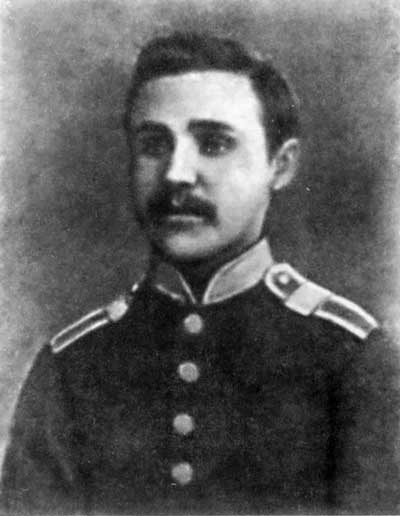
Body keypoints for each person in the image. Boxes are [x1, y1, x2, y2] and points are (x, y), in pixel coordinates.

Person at [1, 32, 399, 515]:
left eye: (213, 143)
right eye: (154, 144)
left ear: (281, 165)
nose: (176, 173)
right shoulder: (71, 368)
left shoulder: (352, 360)